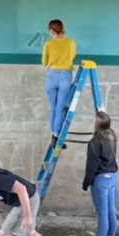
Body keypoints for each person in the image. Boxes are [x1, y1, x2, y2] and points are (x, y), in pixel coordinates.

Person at [82, 111, 119, 236]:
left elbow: (91, 166)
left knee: (102, 213)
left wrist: (85, 185)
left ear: (97, 123)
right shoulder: (112, 136)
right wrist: (102, 109)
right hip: (112, 177)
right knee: (110, 210)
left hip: (101, 180)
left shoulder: (94, 141)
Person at [42, 19, 76, 149]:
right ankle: (56, 137)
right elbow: (72, 56)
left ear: (51, 30)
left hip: (51, 75)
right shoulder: (70, 42)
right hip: (65, 76)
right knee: (61, 109)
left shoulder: (48, 44)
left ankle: (54, 134)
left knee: (53, 108)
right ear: (61, 28)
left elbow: (44, 62)